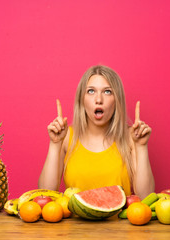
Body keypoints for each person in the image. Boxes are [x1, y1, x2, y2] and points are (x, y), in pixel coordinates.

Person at [38, 65, 155, 199]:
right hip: (75, 220)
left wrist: (141, 146)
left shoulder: (131, 137)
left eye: (107, 92)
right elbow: (44, 194)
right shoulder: (67, 136)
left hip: (119, 220)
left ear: (117, 100)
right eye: (91, 91)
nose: (98, 100)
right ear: (82, 99)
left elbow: (146, 196)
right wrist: (55, 144)